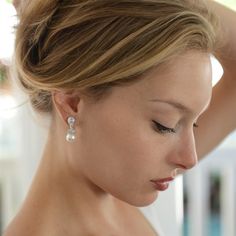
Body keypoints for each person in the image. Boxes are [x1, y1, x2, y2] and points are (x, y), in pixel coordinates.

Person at [3, 0, 236, 235]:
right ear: (72, 103)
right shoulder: (130, 181)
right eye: (164, 125)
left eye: (193, 122)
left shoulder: (126, 184)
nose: (190, 159)